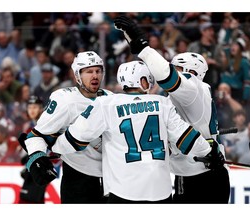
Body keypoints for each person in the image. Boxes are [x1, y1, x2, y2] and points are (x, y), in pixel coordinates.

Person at [51, 60, 224, 203]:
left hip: (123, 191)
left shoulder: (106, 104)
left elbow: (75, 138)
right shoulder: (162, 103)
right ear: (142, 80)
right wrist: (209, 151)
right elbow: (186, 137)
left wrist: (55, 148)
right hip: (160, 192)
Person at [113, 15, 230, 203]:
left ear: (190, 72)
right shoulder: (191, 96)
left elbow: (165, 76)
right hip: (194, 173)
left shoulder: (192, 87)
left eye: (176, 68)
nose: (171, 70)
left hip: (201, 177)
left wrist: (143, 48)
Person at [19, 51, 112, 203]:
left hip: (110, 177)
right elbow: (37, 135)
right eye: (89, 71)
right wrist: (37, 156)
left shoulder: (111, 98)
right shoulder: (65, 100)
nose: (95, 76)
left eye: (98, 71)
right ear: (77, 75)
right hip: (78, 177)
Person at [19, 95, 49, 204]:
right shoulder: (28, 126)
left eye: (35, 107)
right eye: (30, 107)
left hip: (40, 169)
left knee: (27, 200)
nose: (32, 110)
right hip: (34, 168)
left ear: (41, 108)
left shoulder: (46, 124)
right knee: (36, 201)